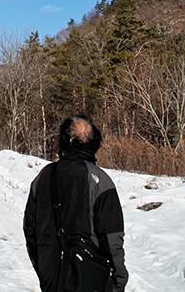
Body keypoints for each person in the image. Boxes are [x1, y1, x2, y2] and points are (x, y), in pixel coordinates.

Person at [23, 115, 128, 292]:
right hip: (90, 277)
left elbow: (30, 231)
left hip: (51, 275)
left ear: (64, 140)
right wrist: (119, 279)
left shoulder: (42, 177)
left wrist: (43, 266)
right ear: (94, 142)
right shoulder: (100, 181)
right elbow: (112, 239)